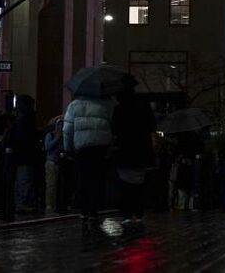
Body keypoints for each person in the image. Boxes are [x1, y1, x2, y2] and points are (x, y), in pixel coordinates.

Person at [63, 94, 115, 233]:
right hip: (100, 147)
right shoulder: (105, 105)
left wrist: (68, 148)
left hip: (82, 147)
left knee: (83, 180)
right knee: (97, 179)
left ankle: (84, 210)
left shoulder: (74, 105)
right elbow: (112, 126)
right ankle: (94, 210)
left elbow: (67, 129)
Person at [111, 78, 156, 230]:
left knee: (125, 184)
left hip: (124, 150)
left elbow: (114, 130)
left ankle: (126, 213)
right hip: (142, 149)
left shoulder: (118, 109)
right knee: (139, 183)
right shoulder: (144, 106)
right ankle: (139, 212)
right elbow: (152, 126)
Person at [44, 118, 63, 213]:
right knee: (51, 184)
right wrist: (57, 138)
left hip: (60, 162)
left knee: (58, 185)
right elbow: (48, 147)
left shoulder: (63, 136)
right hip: (51, 162)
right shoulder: (50, 135)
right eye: (59, 124)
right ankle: (49, 204)